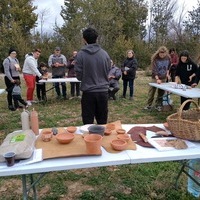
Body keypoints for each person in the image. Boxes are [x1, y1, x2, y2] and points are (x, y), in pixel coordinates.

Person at [74, 27, 110, 125]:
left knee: (87, 124)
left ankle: (90, 140)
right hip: (103, 92)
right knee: (102, 123)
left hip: (88, 93)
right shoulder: (104, 54)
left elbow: (79, 76)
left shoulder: (80, 55)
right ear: (96, 38)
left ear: (84, 39)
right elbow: (108, 70)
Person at [144, 46, 171, 112]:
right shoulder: (155, 59)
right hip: (155, 78)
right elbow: (154, 70)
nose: (162, 55)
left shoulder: (168, 58)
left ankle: (158, 105)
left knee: (161, 92)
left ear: (165, 53)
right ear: (158, 53)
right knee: (152, 92)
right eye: (160, 54)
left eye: (163, 54)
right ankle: (149, 105)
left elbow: (168, 67)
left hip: (163, 78)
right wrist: (157, 79)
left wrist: (167, 74)